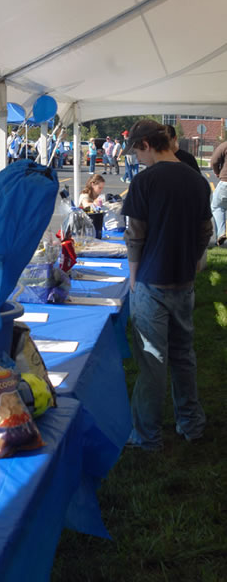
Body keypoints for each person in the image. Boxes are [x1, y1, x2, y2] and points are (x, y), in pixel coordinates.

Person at [121, 119, 213, 451]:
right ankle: (191, 423)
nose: (138, 158)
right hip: (182, 280)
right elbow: (206, 230)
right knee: (183, 356)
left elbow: (135, 235)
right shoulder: (198, 181)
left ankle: (147, 436)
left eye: (137, 151)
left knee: (152, 363)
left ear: (146, 144)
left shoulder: (146, 181)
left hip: (151, 280)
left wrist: (133, 276)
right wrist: (193, 260)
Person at [210, 141, 227, 246]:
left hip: (225, 182)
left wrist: (217, 172)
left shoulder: (225, 145)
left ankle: (221, 233)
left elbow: (214, 161)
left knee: (217, 207)